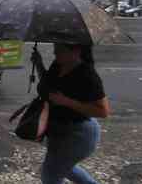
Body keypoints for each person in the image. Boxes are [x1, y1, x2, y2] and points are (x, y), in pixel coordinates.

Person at [31, 43, 111, 184]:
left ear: (76, 50)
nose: (55, 53)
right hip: (57, 130)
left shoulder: (87, 75)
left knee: (50, 175)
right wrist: (39, 63)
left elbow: (103, 111)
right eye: (55, 49)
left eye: (59, 50)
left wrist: (66, 101)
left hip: (77, 134)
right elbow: (48, 83)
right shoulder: (58, 64)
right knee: (66, 168)